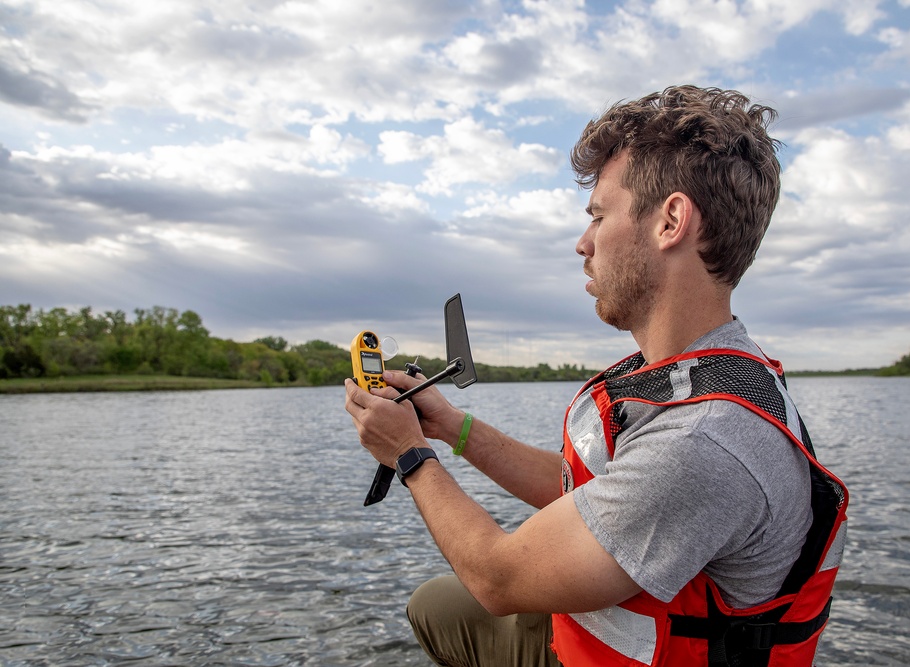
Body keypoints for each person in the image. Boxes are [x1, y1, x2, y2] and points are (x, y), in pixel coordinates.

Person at [344, 85, 849, 667]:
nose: (582, 244)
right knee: (438, 604)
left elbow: (500, 579)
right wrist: (450, 427)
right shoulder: (693, 376)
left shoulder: (704, 437)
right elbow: (592, 496)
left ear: (671, 221)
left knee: (464, 597)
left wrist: (409, 455)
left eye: (599, 216)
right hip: (579, 641)